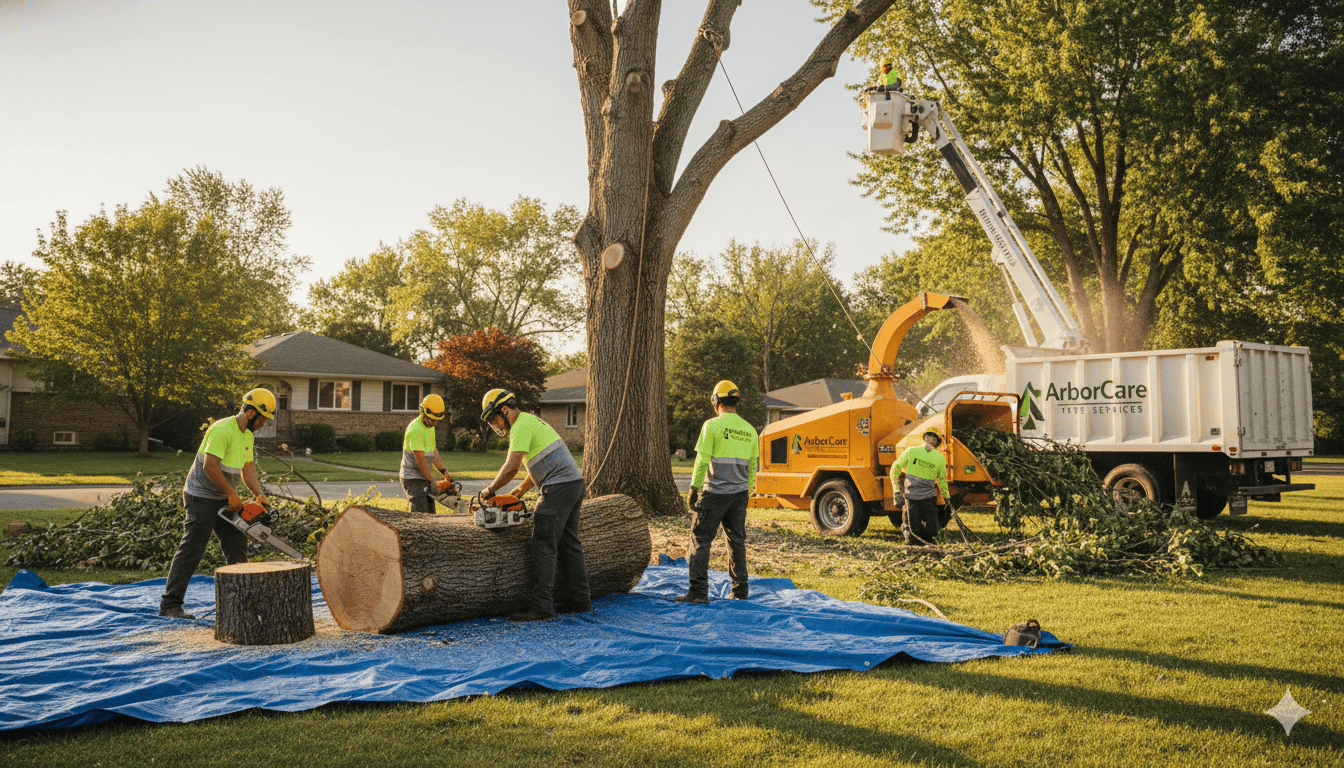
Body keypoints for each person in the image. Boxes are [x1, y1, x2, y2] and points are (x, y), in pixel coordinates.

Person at [159, 388, 275, 619]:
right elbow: (210, 466)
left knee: (236, 544)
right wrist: (232, 494)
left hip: (223, 496)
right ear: (251, 413)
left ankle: (242, 601)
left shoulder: (247, 436)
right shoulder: (222, 429)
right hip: (200, 496)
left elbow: (248, 467)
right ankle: (170, 605)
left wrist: (258, 493)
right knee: (192, 548)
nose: (264, 424)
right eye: (263, 419)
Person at [480, 388, 590, 622]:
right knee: (569, 544)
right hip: (573, 484)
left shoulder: (520, 426)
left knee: (542, 544)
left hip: (558, 488)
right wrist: (521, 490)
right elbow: (540, 463)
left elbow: (511, 467)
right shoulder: (531, 421)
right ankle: (581, 602)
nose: (494, 424)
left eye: (493, 418)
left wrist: (489, 490)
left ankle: (542, 608)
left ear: (504, 410)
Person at [676, 380, 759, 604]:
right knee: (736, 542)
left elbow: (702, 460)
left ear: (716, 400)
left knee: (701, 539)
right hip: (739, 495)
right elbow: (753, 467)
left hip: (714, 493)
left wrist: (693, 487)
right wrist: (747, 492)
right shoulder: (750, 430)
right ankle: (740, 592)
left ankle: (698, 592)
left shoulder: (711, 426)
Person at [892, 426, 950, 545]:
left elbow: (942, 480)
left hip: (929, 497)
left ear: (937, 443)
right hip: (911, 497)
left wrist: (947, 498)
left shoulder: (939, 458)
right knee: (914, 530)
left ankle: (926, 545)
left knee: (932, 529)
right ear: (925, 438)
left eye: (935, 439)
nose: (931, 441)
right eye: (930, 437)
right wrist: (896, 491)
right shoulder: (911, 451)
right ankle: (910, 537)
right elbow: (895, 468)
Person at [401, 393, 453, 514]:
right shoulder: (416, 429)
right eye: (432, 419)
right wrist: (433, 482)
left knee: (430, 513)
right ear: (423, 413)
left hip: (424, 476)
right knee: (420, 512)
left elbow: (433, 451)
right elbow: (420, 460)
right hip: (412, 478)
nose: (434, 423)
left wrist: (445, 473)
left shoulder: (430, 427)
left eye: (436, 420)